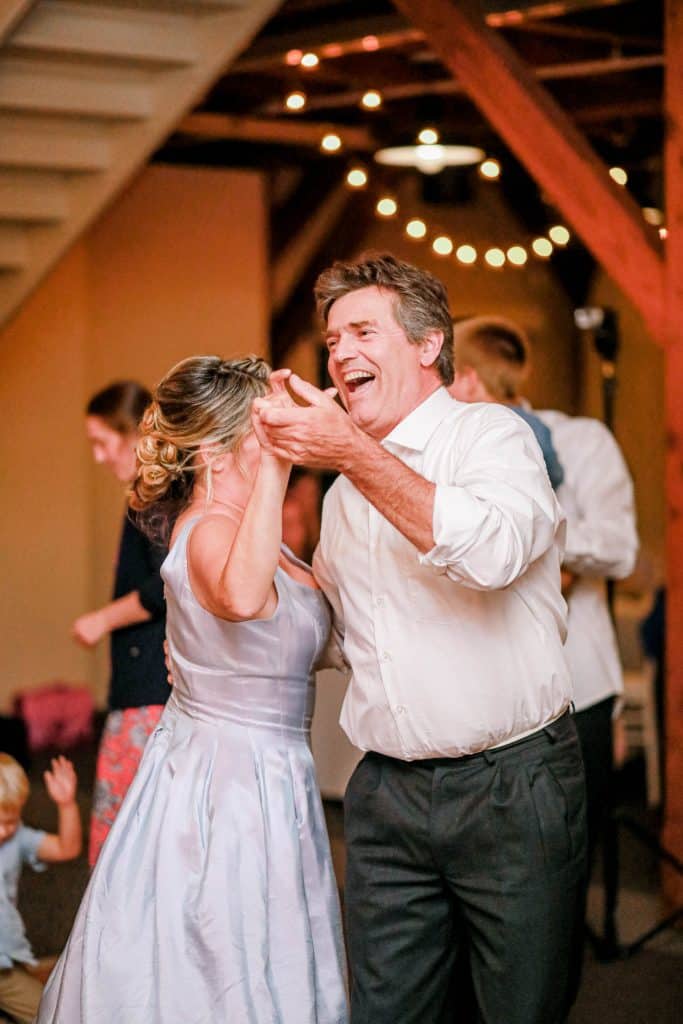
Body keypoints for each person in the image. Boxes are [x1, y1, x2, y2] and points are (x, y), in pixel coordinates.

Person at [253, 253, 587, 1024]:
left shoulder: (491, 437)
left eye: (362, 331)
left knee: (519, 1009)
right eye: (332, 340)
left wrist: (347, 453)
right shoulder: (342, 495)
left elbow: (490, 557)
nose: (339, 354)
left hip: (511, 788)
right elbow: (336, 634)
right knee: (384, 1012)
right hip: (387, 797)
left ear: (428, 343)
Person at [36, 356, 348, 1024]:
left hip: (276, 775)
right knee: (214, 964)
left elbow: (321, 641)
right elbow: (240, 596)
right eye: (260, 430)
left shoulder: (268, 539)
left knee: (272, 956)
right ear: (215, 451)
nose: (275, 437)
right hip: (223, 789)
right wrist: (276, 467)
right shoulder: (203, 527)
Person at [450, 316, 638, 871]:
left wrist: (532, 533)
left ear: (466, 377)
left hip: (577, 684)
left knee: (563, 866)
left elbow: (619, 547)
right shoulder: (448, 452)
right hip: (479, 692)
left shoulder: (580, 440)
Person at [73, 381, 169, 866]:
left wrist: (101, 619)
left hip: (151, 693)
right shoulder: (142, 497)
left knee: (126, 848)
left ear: (132, 434)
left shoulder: (154, 499)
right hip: (139, 688)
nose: (98, 457)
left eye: (102, 443)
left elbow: (165, 585)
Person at [0, 753, 81, 1024]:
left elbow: (66, 849)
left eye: (9, 821)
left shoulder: (18, 837)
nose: (2, 831)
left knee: (50, 1014)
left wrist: (67, 804)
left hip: (4, 966)